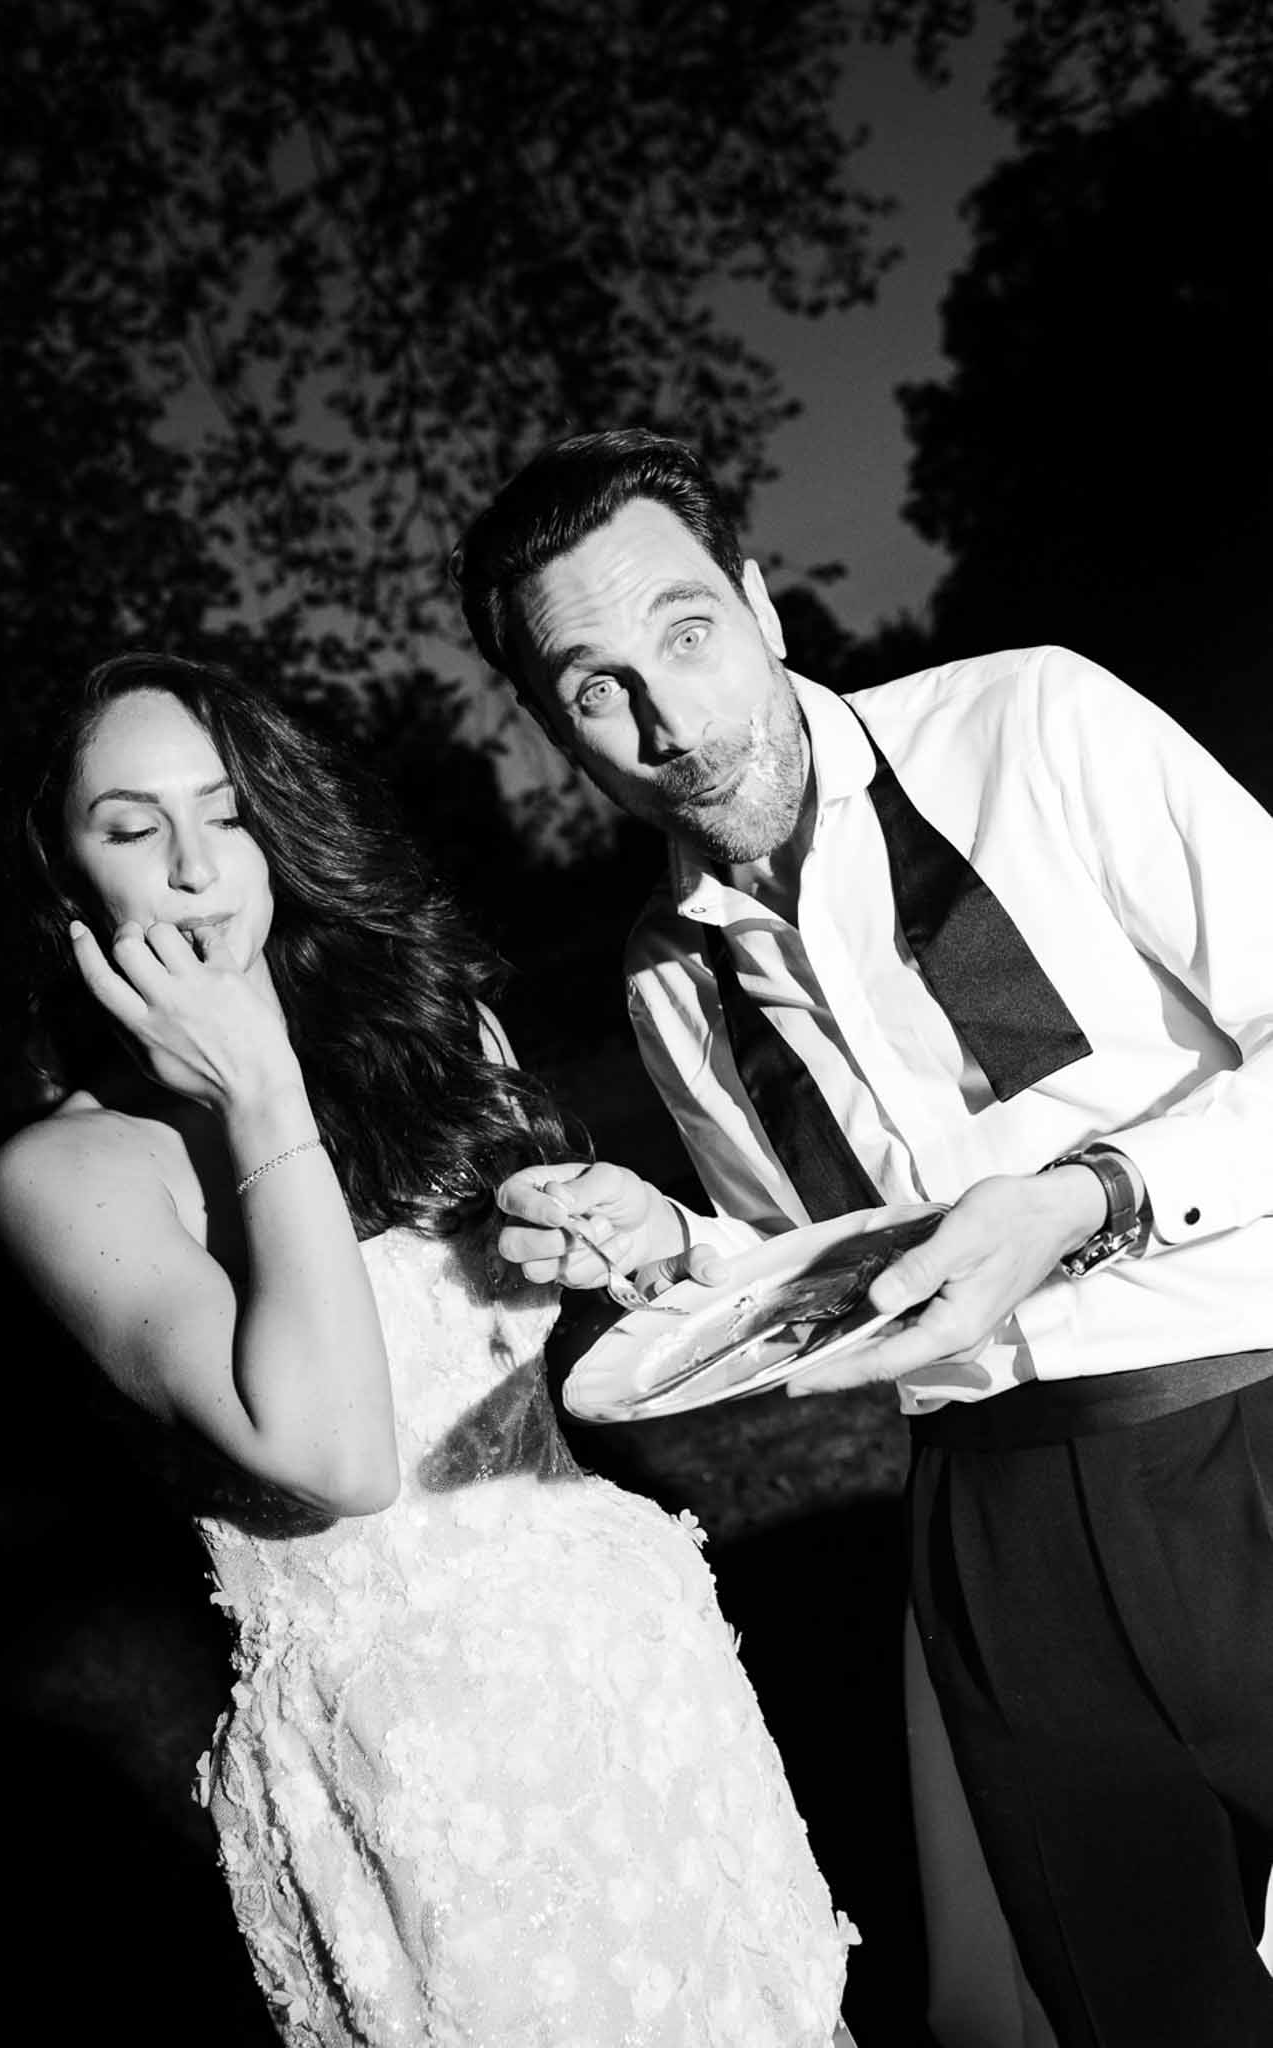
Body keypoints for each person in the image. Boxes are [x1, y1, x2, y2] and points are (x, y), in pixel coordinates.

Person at [454, 429, 1273, 2048]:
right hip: (992, 1531)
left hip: (1244, 1421)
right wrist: (672, 1241)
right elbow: (810, 1260)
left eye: (687, 631)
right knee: (1145, 2012)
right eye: (594, 687)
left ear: (760, 600)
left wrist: (1084, 1199)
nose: (669, 723)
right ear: (553, 727)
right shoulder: (662, 980)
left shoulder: (1027, 725)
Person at [0, 653, 860, 2048]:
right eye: (134, 827)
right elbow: (332, 1456)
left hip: (626, 1663)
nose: (198, 868)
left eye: (227, 812)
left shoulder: (431, 1038)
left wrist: (625, 1239)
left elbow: (577, 1348)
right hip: (414, 1765)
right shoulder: (75, 1172)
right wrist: (260, 1078)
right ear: (67, 874)